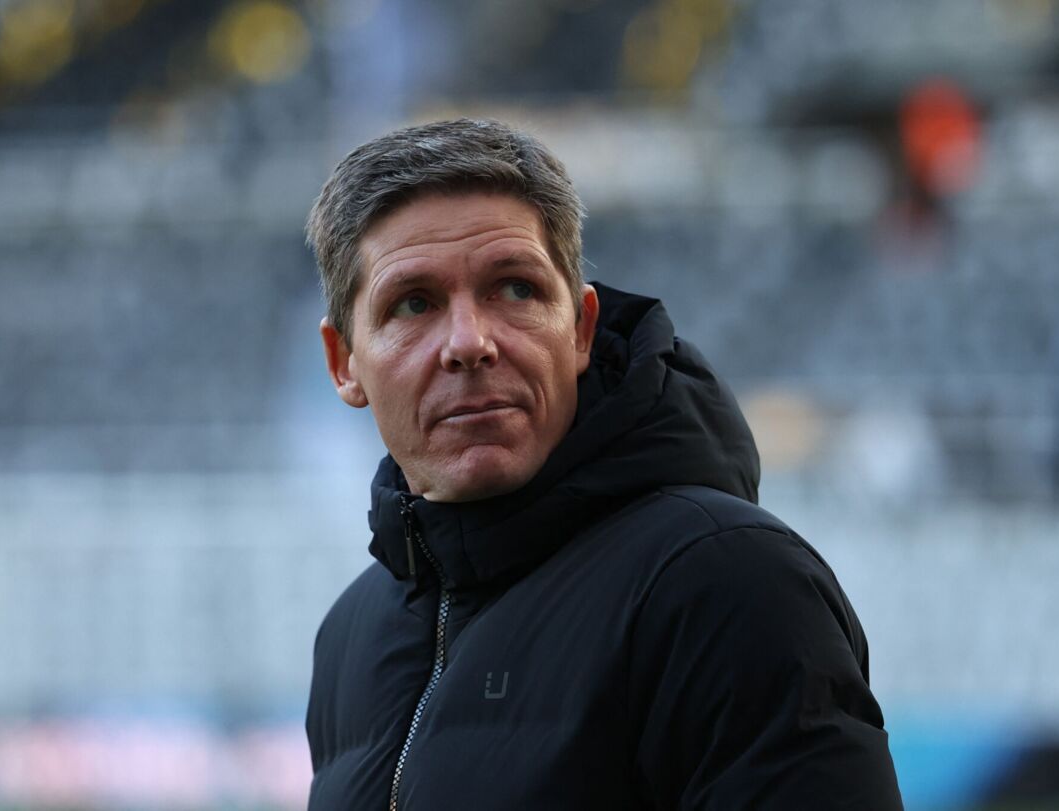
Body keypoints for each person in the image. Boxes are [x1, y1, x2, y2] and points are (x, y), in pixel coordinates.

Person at [304, 118, 903, 810]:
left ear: (582, 328)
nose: (469, 342)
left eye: (515, 289)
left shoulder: (729, 581)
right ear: (344, 363)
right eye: (414, 303)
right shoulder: (350, 636)